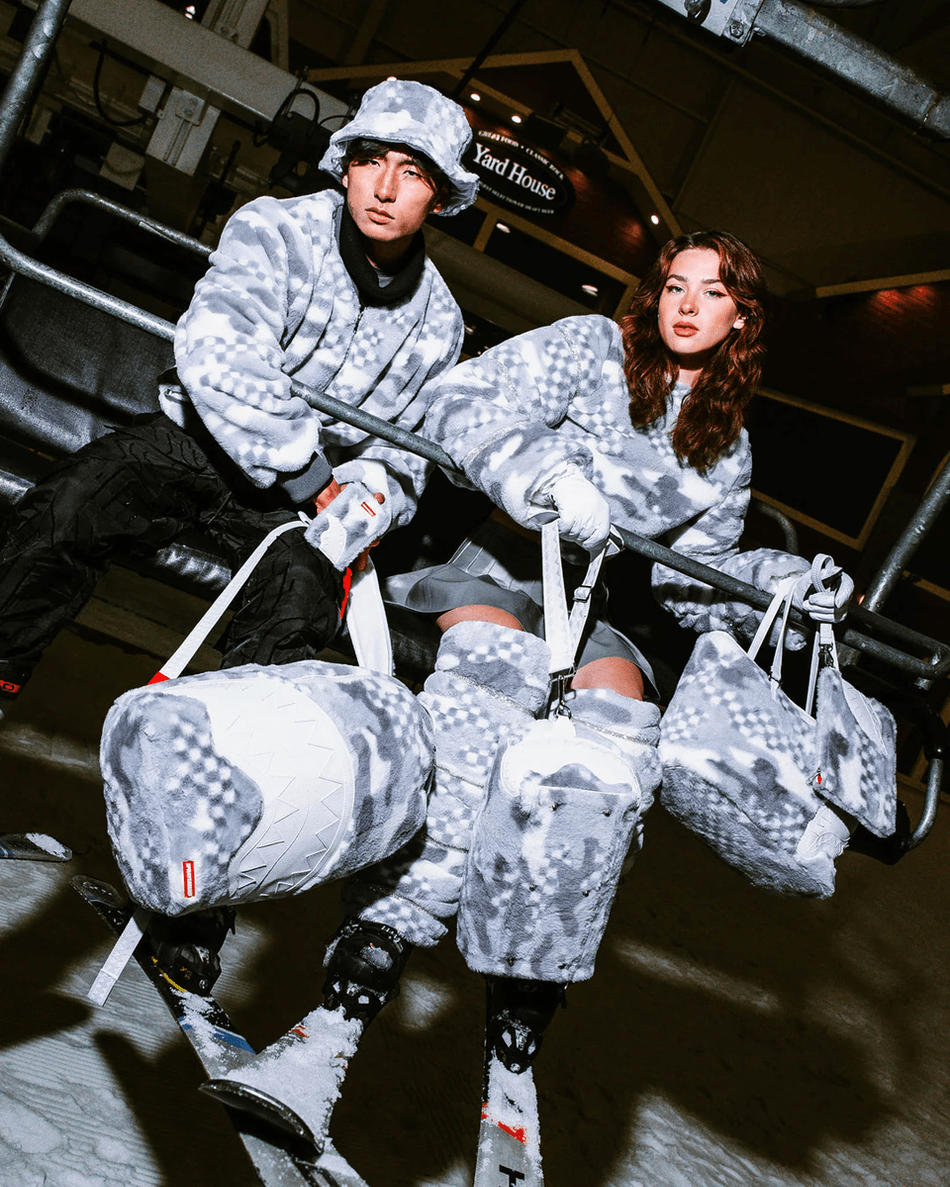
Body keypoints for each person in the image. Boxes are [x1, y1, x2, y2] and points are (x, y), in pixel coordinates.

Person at [206, 231, 855, 1139]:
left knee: (614, 754)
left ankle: (520, 1020)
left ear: (742, 318)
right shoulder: (593, 348)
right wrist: (541, 474)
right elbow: (462, 397)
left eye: (712, 294)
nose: (686, 305)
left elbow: (690, 584)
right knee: (481, 721)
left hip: (590, 608)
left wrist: (779, 587)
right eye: (675, 285)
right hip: (503, 567)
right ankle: (345, 1005)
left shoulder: (727, 449)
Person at [0, 78, 479, 989]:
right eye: (372, 161)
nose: (385, 187)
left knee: (292, 630)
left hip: (304, 503)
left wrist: (359, 505)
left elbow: (409, 456)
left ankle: (201, 894)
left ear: (441, 198)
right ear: (346, 167)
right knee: (73, 505)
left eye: (412, 173)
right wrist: (305, 468)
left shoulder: (440, 324)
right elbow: (218, 352)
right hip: (202, 443)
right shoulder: (275, 229)